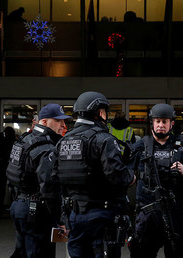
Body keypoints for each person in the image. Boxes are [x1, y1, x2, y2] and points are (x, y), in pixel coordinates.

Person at [53, 91, 136, 258]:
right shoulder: (104, 139)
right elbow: (117, 176)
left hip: (75, 216)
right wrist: (131, 176)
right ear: (99, 112)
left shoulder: (63, 141)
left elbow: (54, 178)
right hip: (101, 215)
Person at [129, 103, 183, 258]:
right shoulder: (141, 146)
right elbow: (124, 173)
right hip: (147, 213)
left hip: (175, 212)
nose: (160, 125)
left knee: (181, 252)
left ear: (171, 124)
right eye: (157, 121)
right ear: (152, 123)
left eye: (164, 122)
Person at [6, 103, 71, 258]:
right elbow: (49, 188)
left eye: (63, 120)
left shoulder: (24, 140)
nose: (63, 124)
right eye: (58, 120)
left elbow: (12, 175)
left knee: (22, 252)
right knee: (39, 252)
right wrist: (61, 219)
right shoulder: (45, 147)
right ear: (44, 122)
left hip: (20, 205)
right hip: (36, 210)